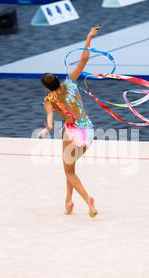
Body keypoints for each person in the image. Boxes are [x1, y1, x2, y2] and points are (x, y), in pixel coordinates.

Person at [37, 26, 100, 218]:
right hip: (88, 130)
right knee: (70, 167)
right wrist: (88, 38)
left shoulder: (49, 101)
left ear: (47, 88)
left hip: (72, 133)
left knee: (69, 171)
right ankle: (68, 201)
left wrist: (45, 131)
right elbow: (84, 59)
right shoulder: (70, 82)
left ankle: (88, 201)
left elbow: (49, 124)